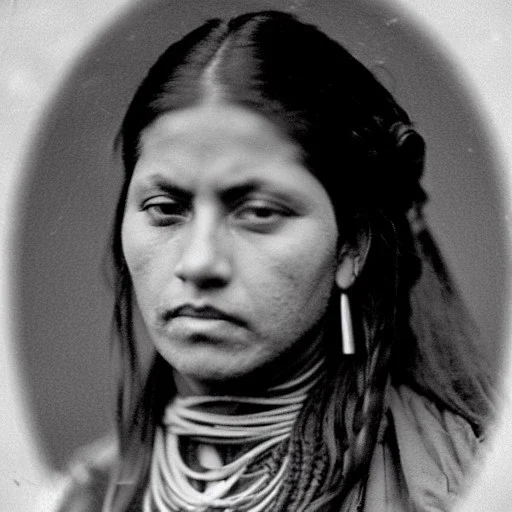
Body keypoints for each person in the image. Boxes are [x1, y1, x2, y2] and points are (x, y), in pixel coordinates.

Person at [52, 9, 493, 512]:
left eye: (258, 212)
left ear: (352, 245)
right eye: (165, 209)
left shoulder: (454, 485)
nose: (199, 263)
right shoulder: (88, 495)